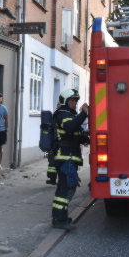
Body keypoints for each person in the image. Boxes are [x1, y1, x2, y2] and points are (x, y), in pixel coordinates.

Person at [50, 88, 89, 231]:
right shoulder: (62, 114)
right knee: (66, 188)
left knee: (67, 187)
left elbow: (76, 134)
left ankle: (60, 217)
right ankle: (60, 219)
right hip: (65, 158)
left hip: (69, 158)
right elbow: (70, 127)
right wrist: (84, 112)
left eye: (76, 100)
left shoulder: (70, 115)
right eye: (72, 100)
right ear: (66, 101)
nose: (75, 102)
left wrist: (88, 136)